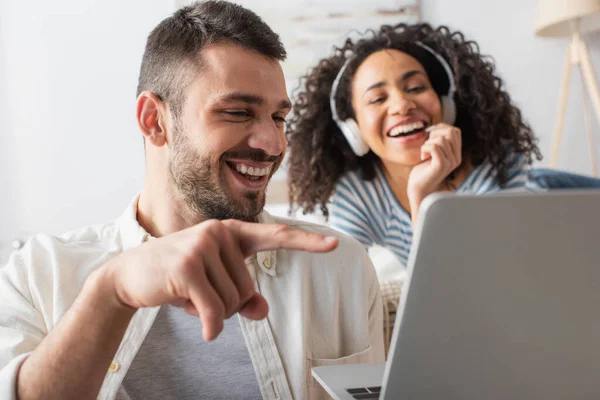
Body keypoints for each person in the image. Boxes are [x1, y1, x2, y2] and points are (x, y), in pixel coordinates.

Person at [0, 2, 384, 399]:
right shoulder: (38, 275)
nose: (273, 144)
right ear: (154, 120)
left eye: (278, 117)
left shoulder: (342, 268)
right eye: (237, 112)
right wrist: (113, 292)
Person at [286, 23, 544, 268]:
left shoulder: (497, 163)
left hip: (551, 193)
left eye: (416, 87)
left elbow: (491, 278)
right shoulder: (358, 194)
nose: (401, 105)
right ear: (354, 129)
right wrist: (423, 191)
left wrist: (424, 199)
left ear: (446, 104)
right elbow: (340, 280)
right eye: (377, 99)